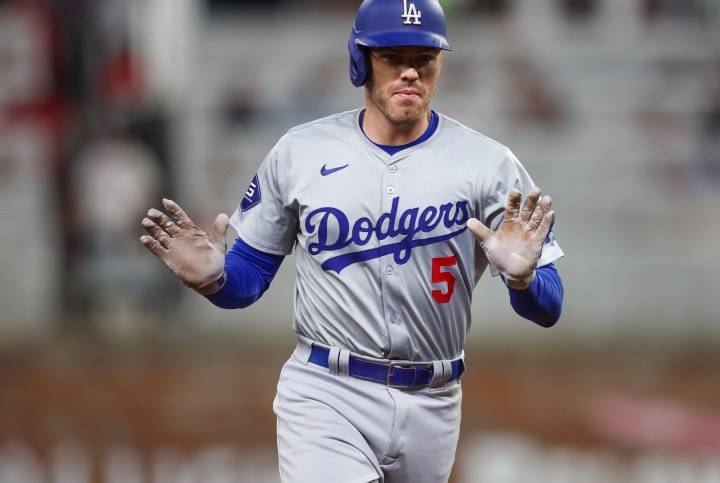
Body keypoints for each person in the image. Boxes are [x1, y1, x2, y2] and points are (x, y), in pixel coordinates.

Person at [139, 1, 564, 481]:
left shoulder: (488, 163)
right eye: (392, 57)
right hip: (327, 390)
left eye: (424, 59)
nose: (410, 72)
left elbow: (549, 309)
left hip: (436, 400)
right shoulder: (301, 151)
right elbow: (249, 280)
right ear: (360, 61)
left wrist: (524, 280)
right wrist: (216, 281)